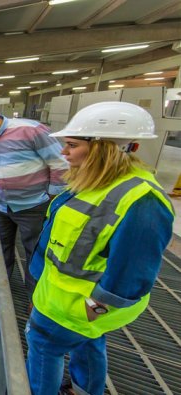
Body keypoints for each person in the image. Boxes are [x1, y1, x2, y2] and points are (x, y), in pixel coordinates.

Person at [26, 101, 175, 395]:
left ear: (103, 148)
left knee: (43, 347)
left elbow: (132, 276)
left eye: (72, 144)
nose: (64, 152)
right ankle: (84, 390)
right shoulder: (93, 182)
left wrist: (93, 311)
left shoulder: (142, 202)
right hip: (59, 296)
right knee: (89, 342)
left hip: (77, 306)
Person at [0, 93, 68, 297]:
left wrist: (51, 196)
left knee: (35, 252)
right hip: (0, 205)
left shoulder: (31, 130)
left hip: (33, 205)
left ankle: (36, 296)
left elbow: (60, 164)